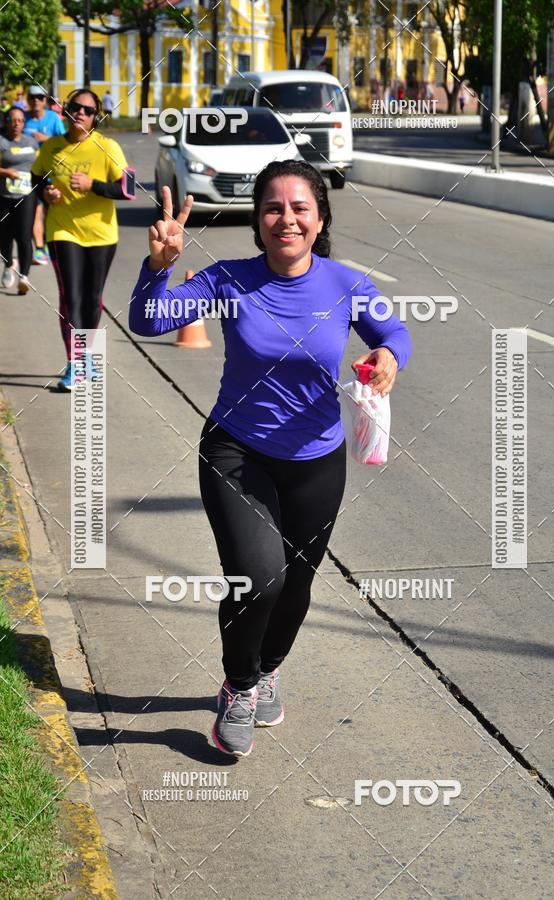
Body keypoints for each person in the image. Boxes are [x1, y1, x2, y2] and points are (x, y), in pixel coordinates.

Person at [128, 160, 412, 757]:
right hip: (236, 450)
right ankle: (238, 686)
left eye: (299, 208)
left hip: (317, 460)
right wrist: (159, 267)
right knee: (259, 580)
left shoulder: (346, 285)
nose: (287, 219)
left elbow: (395, 333)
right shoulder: (230, 280)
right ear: (258, 221)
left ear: (319, 219)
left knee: (297, 585)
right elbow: (149, 319)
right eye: (273, 208)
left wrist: (389, 356)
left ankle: (268, 670)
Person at [31, 88, 135, 391]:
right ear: (65, 110)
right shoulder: (52, 147)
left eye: (88, 111)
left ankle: (87, 356)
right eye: (76, 107)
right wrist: (46, 192)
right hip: (63, 230)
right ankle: (75, 363)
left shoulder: (107, 146)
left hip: (101, 234)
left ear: (95, 117)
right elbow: (36, 178)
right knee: (71, 297)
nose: (81, 113)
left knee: (92, 299)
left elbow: (128, 189)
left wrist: (93, 185)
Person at [24, 85, 66, 265]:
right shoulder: (23, 119)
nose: (36, 101)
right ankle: (40, 249)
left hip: (51, 173)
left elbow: (65, 142)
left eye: (40, 97)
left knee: (51, 212)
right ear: (28, 100)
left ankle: (52, 244)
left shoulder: (52, 118)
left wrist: (45, 139)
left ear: (45, 100)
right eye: (32, 97)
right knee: (36, 210)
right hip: (29, 173)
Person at [0, 106, 38, 293]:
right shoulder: (1, 141)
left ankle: (24, 277)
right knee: (4, 236)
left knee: (24, 236)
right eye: (13, 120)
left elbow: (39, 166)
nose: (16, 124)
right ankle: (9, 265)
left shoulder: (31, 142)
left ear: (24, 123)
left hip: (26, 195)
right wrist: (5, 172)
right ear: (6, 121)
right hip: (3, 195)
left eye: (20, 120)